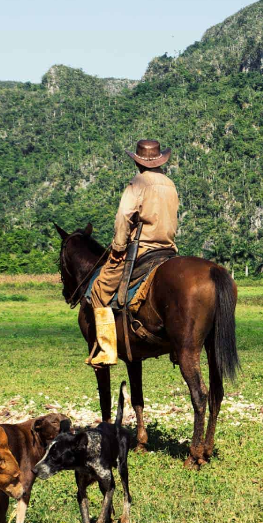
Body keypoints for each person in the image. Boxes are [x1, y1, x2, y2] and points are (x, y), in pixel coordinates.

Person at [87, 139, 179, 368]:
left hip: (142, 249)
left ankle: (107, 350)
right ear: (159, 160)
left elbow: (123, 216)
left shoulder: (137, 183)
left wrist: (118, 248)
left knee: (100, 289)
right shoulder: (170, 184)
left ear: (138, 162)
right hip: (168, 249)